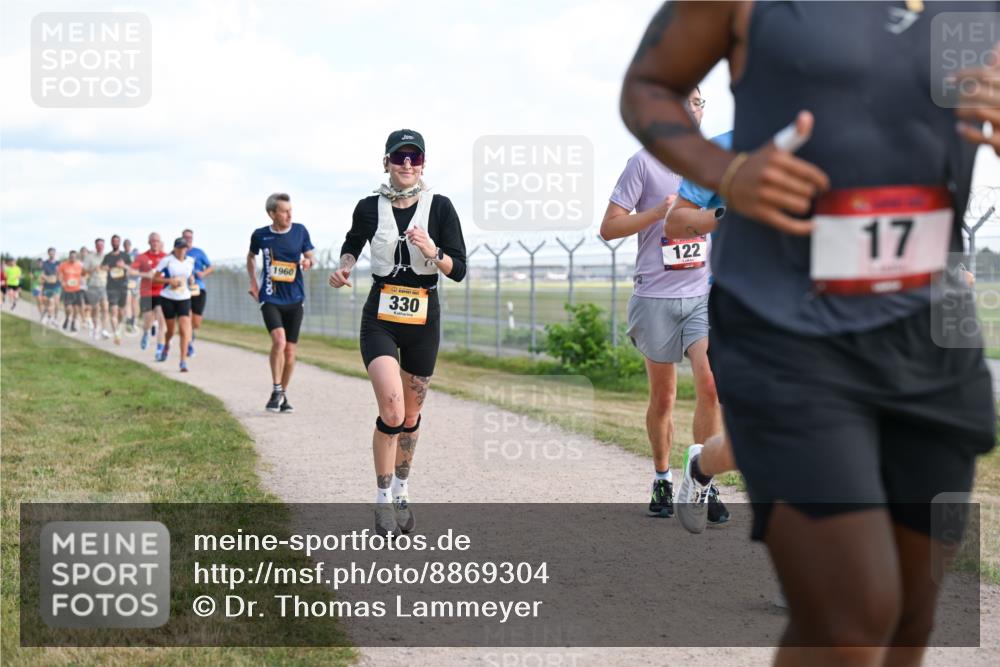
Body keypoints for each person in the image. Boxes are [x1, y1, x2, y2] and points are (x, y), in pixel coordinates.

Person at [621, 2, 998, 662]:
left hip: (933, 327)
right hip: (784, 323)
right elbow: (649, 85)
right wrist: (729, 173)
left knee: (909, 618)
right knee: (853, 617)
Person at [329, 129, 467, 537]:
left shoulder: (440, 207)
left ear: (423, 163)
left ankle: (403, 486)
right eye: (399, 157)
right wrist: (345, 266)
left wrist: (433, 252)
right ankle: (383, 499)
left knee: (410, 416)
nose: (407, 164)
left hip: (424, 318)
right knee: (391, 410)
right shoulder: (369, 207)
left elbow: (458, 269)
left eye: (415, 157)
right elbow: (353, 243)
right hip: (382, 316)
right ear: (386, 162)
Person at [600, 88, 723, 520]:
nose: (691, 106)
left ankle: (705, 482)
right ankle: (661, 477)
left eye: (697, 99)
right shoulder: (643, 162)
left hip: (704, 293)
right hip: (655, 295)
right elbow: (609, 228)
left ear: (702, 109)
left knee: (710, 386)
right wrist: (656, 213)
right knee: (664, 397)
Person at [663, 129, 737, 534]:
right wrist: (727, 213)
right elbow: (675, 222)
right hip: (745, 305)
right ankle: (702, 465)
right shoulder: (723, 149)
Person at [247, 193, 317, 412]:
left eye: (290, 210)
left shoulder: (300, 230)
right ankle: (277, 388)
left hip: (295, 298)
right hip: (270, 297)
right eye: (284, 211)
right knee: (279, 341)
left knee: (290, 352)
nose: (289, 215)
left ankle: (282, 395)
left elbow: (311, 256)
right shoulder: (260, 235)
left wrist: (308, 261)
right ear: (272, 214)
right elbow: (250, 257)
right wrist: (253, 283)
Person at [152, 237, 196, 372]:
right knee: (170, 331)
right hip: (168, 298)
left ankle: (183, 361)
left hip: (184, 297)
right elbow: (155, 279)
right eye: (180, 248)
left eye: (184, 248)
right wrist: (169, 280)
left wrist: (191, 280)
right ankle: (166, 346)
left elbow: (189, 276)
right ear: (175, 249)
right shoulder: (167, 260)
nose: (183, 250)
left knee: (184, 330)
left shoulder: (190, 261)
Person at [131, 233, 168, 356]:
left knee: (161, 319)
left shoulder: (165, 257)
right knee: (148, 320)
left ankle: (159, 349)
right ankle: (146, 333)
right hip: (146, 292)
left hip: (161, 292)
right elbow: (132, 271)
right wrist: (146, 274)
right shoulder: (142, 257)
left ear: (160, 242)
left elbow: (172, 272)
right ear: (149, 242)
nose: (155, 243)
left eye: (157, 240)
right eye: (153, 241)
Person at [183, 228, 214, 357]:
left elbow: (211, 267)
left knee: (196, 321)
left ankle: (192, 333)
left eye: (190, 237)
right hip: (183, 289)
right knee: (186, 316)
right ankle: (188, 343)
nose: (188, 239)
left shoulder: (199, 252)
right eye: (186, 237)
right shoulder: (177, 253)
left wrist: (203, 273)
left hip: (198, 288)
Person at [102, 234, 130, 344]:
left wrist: (124, 266)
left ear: (119, 243)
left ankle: (117, 329)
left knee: (121, 312)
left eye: (117, 241)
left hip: (123, 286)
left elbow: (131, 269)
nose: (115, 243)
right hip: (111, 287)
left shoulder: (125, 256)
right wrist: (105, 268)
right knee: (113, 310)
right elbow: (102, 267)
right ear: (111, 243)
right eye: (113, 241)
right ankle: (117, 334)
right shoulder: (108, 256)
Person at [82, 238, 109, 339]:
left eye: (102, 245)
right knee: (96, 309)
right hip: (92, 285)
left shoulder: (107, 257)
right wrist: (94, 269)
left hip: (104, 286)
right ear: (95, 246)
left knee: (105, 308)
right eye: (98, 245)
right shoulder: (89, 258)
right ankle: (95, 328)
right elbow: (83, 273)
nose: (100, 246)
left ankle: (104, 330)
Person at [57, 249, 85, 333]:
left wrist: (82, 280)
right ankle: (67, 318)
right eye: (71, 256)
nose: (73, 258)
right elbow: (59, 275)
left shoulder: (80, 266)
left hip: (77, 289)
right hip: (67, 290)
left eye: (74, 256)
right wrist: (62, 282)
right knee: (68, 308)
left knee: (76, 309)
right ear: (69, 256)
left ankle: (73, 324)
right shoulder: (63, 265)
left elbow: (84, 275)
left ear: (76, 257)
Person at [39, 248, 61, 326]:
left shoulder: (59, 263)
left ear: (55, 253)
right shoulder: (45, 263)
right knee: (49, 302)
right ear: (48, 253)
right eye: (50, 253)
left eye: (53, 253)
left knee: (57, 302)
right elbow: (42, 274)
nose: (52, 254)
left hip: (57, 285)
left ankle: (55, 318)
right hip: (48, 285)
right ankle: (46, 316)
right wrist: (48, 278)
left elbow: (61, 273)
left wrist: (57, 278)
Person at [123, 238, 140, 332]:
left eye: (128, 244)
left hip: (135, 281)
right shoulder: (121, 255)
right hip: (124, 281)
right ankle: (129, 319)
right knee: (127, 300)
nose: (126, 246)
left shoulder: (135, 255)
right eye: (125, 245)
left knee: (135, 301)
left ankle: (134, 319)